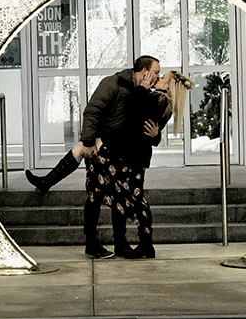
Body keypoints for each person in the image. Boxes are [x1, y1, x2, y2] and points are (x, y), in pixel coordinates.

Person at [24, 56, 161, 258]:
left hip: (118, 151)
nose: (158, 76)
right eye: (156, 71)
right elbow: (93, 111)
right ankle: (92, 242)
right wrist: (90, 140)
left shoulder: (144, 92)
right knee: (94, 191)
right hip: (103, 145)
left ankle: (117, 243)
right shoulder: (113, 83)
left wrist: (156, 135)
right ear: (144, 71)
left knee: (116, 197)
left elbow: (148, 124)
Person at [91, 69, 195, 259]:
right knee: (123, 199)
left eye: (163, 78)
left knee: (135, 201)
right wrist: (156, 135)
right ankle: (133, 244)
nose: (159, 78)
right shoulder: (164, 102)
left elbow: (132, 111)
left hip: (131, 156)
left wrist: (141, 88)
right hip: (136, 157)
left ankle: (145, 244)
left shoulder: (159, 99)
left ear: (170, 86)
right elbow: (148, 126)